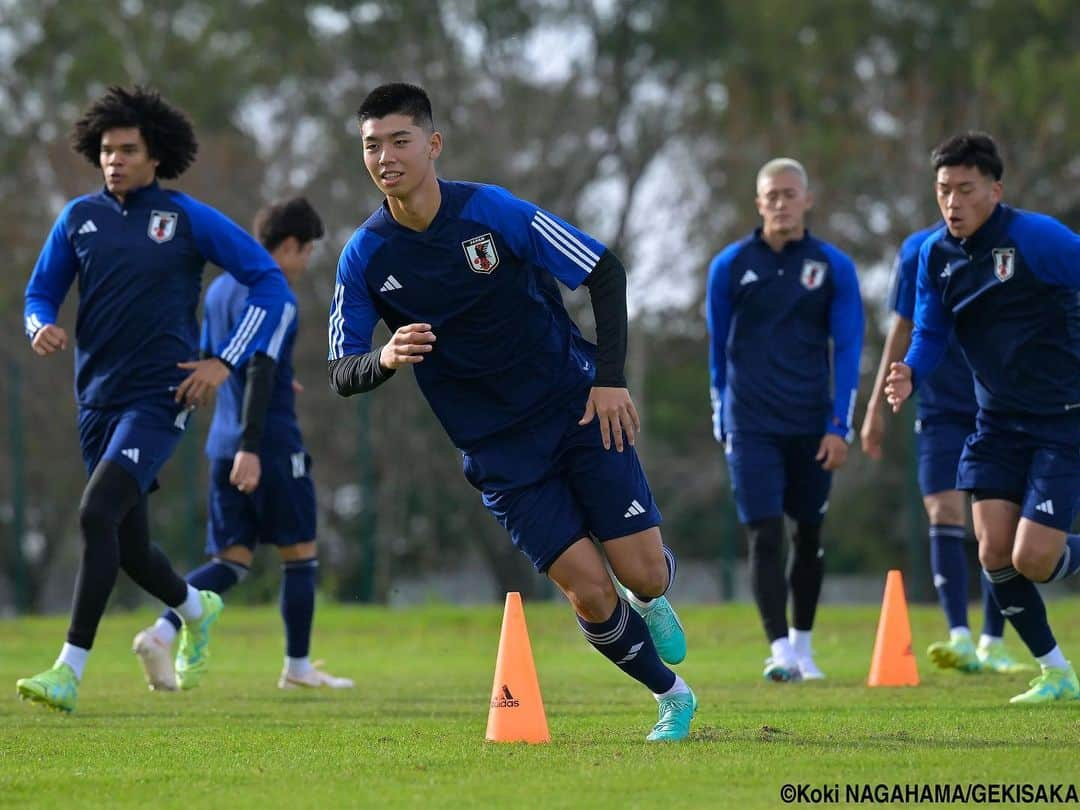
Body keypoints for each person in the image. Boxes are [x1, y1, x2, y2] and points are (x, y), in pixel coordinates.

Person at [327, 83, 694, 741]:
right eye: (371, 145)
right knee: (587, 590)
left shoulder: (491, 211)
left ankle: (651, 593)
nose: (385, 156)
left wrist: (609, 381)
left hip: (576, 408)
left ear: (432, 145)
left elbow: (603, 270)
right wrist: (384, 359)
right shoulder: (366, 255)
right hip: (497, 449)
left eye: (399, 140)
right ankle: (673, 699)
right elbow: (341, 369)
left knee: (637, 571)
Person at [18, 86, 295, 712]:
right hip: (95, 401)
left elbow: (269, 284)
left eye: (128, 150)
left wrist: (224, 361)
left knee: (94, 516)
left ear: (155, 156)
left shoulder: (187, 218)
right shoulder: (78, 219)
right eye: (107, 150)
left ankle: (68, 670)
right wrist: (41, 327)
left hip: (159, 396)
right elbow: (39, 295)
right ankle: (199, 608)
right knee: (131, 545)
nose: (114, 160)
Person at [885, 131, 1080, 704]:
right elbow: (930, 332)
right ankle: (1057, 673)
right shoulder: (934, 256)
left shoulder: (1036, 238)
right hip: (995, 423)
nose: (952, 202)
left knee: (1033, 559)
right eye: (944, 190)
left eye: (965, 190)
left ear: (994, 191)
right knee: (993, 551)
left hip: (1061, 419)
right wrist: (911, 372)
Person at [132, 197, 353, 691]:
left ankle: (162, 634)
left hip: (223, 441)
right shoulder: (276, 295)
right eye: (309, 251)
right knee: (301, 555)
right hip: (268, 443)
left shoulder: (220, 291)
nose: (308, 262)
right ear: (291, 246)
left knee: (230, 563)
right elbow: (258, 366)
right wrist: (254, 445)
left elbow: (216, 361)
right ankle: (297, 667)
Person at [706, 158, 863, 682]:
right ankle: (779, 651)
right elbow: (717, 348)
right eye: (771, 195)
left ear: (807, 199)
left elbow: (848, 347)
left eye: (789, 194)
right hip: (750, 425)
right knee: (764, 535)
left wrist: (840, 425)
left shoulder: (833, 266)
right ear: (758, 203)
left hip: (812, 424)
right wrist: (719, 411)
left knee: (810, 535)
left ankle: (804, 647)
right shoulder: (730, 265)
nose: (781, 203)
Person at [862, 225, 1027, 675]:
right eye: (945, 188)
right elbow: (903, 326)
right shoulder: (919, 250)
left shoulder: (1014, 245)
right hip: (938, 405)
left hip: (997, 402)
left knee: (999, 526)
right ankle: (960, 637)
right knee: (944, 511)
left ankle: (994, 640)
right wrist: (876, 405)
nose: (954, 199)